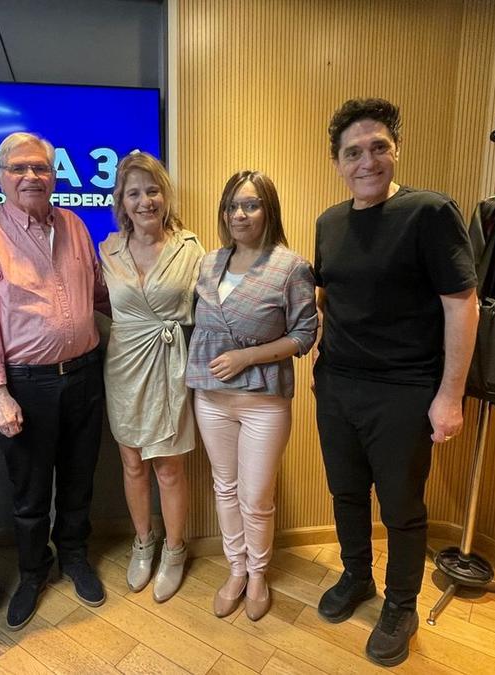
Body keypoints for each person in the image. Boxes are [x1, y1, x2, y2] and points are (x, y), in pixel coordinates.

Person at [312, 98, 479, 666]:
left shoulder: (429, 212)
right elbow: (331, 295)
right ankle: (356, 575)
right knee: (345, 492)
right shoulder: (329, 223)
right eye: (353, 152)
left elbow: (462, 305)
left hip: (405, 389)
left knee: (401, 506)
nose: (367, 161)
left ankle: (401, 605)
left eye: (378, 147)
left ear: (396, 150)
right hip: (337, 385)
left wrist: (450, 395)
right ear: (337, 162)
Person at [0, 131, 111, 630]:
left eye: (41, 168)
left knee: (80, 479)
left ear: (54, 174)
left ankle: (74, 557)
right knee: (29, 493)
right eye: (19, 168)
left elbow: (100, 293)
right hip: (24, 385)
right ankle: (32, 571)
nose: (31, 177)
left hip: (85, 376)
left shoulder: (75, 225)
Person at [185, 170, 317, 621]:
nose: (239, 214)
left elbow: (304, 334)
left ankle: (259, 574)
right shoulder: (209, 262)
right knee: (225, 487)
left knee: (256, 497)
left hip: (263, 400)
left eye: (250, 204)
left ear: (268, 210)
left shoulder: (291, 267)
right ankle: (236, 569)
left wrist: (247, 357)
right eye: (232, 206)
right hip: (211, 397)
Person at [99, 152, 204, 602]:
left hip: (170, 363)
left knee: (169, 467)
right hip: (123, 364)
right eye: (134, 193)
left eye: (153, 191)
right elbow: (97, 302)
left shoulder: (190, 248)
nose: (145, 201)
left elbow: (209, 309)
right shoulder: (107, 250)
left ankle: (175, 549)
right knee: (132, 463)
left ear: (165, 195)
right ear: (121, 201)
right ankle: (144, 542)